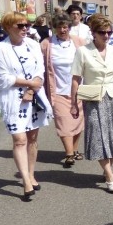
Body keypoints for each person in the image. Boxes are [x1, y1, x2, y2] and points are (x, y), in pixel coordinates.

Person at [70, 15, 113, 194]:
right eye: (102, 32)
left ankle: (107, 170)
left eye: (109, 32)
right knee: (99, 137)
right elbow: (76, 78)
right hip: (94, 100)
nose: (106, 35)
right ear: (93, 33)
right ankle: (110, 175)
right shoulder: (83, 52)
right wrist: (74, 103)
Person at [0, 12, 52, 201]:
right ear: (8, 27)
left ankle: (31, 174)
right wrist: (29, 85)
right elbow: (3, 78)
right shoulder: (0, 49)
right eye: (20, 26)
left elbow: (40, 70)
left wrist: (32, 90)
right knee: (19, 139)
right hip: (13, 99)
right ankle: (25, 180)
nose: (25, 28)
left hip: (34, 96)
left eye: (27, 24)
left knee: (32, 137)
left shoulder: (33, 45)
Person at [41, 11, 84, 168]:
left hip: (79, 89)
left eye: (65, 27)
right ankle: (69, 153)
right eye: (59, 27)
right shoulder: (47, 44)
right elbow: (39, 65)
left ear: (69, 27)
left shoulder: (78, 42)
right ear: (54, 28)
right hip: (57, 90)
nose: (62, 30)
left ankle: (75, 149)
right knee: (63, 121)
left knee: (78, 121)